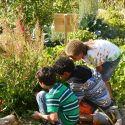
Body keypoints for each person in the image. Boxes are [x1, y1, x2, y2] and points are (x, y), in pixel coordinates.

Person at [53, 56, 122, 125]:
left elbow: (74, 103)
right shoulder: (82, 67)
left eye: (60, 76)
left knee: (69, 113)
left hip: (101, 105)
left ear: (65, 73)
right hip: (105, 98)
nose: (60, 77)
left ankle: (100, 118)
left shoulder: (75, 84)